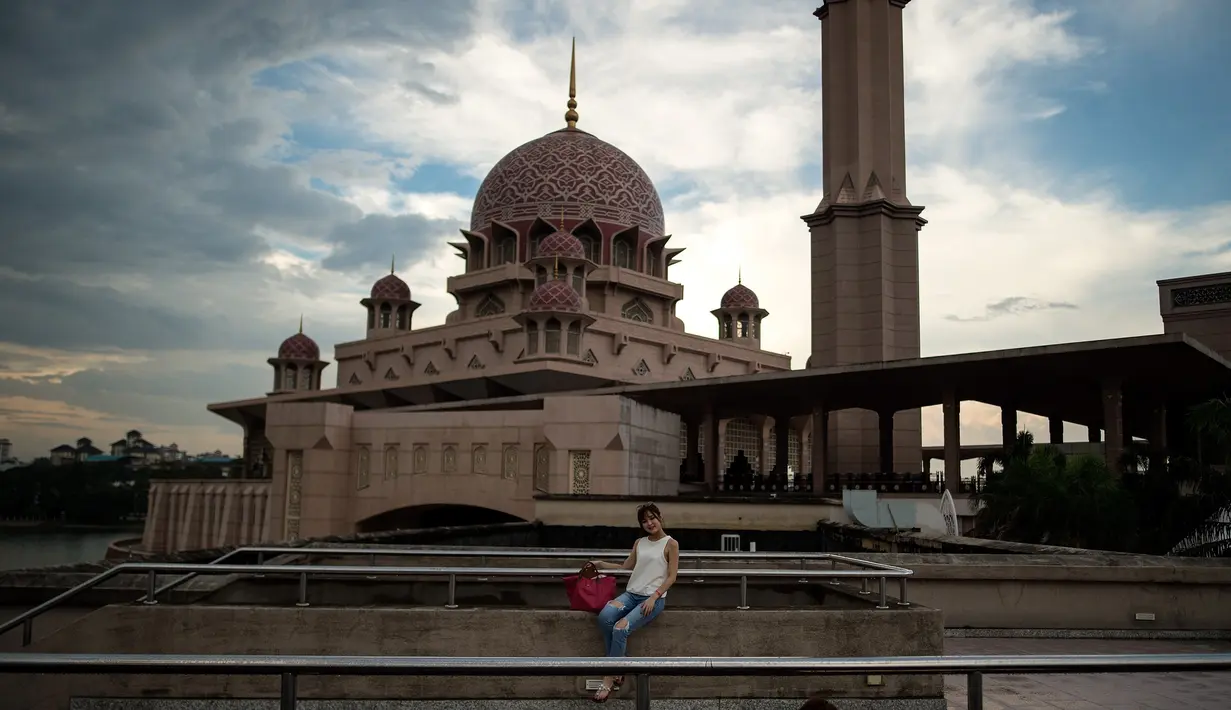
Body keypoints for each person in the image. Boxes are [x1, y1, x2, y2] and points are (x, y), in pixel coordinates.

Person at [589, 502, 679, 703]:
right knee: (605, 617)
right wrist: (601, 564)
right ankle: (620, 664)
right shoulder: (640, 542)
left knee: (621, 629)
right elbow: (625, 567)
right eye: (644, 520)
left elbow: (672, 577)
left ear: (660, 517)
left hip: (651, 599)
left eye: (652, 518)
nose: (649, 523)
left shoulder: (671, 544)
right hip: (630, 595)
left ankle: (608, 678)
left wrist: (654, 596)